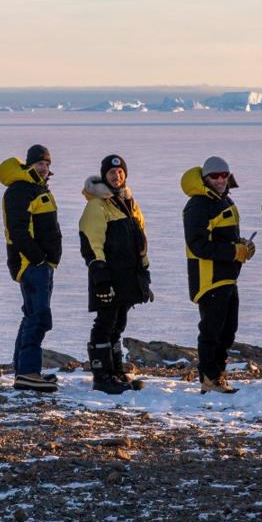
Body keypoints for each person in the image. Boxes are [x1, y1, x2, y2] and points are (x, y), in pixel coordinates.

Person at [181, 156, 255, 394]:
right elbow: (197, 245)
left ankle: (218, 374)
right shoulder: (198, 205)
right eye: (215, 176)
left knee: (228, 329)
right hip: (209, 277)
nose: (221, 179)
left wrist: (243, 245)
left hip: (228, 275)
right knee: (211, 330)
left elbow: (223, 237)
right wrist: (235, 251)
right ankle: (209, 378)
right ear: (205, 178)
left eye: (224, 175)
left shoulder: (222, 200)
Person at [78, 154, 151, 394]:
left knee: (119, 321)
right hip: (107, 274)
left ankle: (116, 371)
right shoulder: (97, 205)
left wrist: (144, 272)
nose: (116, 176)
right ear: (104, 176)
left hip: (128, 274)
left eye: (120, 173)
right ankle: (102, 375)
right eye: (111, 173)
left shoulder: (128, 202)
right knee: (105, 321)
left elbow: (141, 240)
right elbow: (91, 241)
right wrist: (99, 273)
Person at [0, 144, 63, 393]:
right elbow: (18, 231)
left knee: (31, 315)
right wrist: (37, 259)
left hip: (42, 264)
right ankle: (27, 372)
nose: (44, 168)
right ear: (29, 165)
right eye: (39, 164)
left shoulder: (36, 188)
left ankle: (24, 370)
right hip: (32, 264)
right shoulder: (20, 190)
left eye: (47, 164)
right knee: (39, 317)